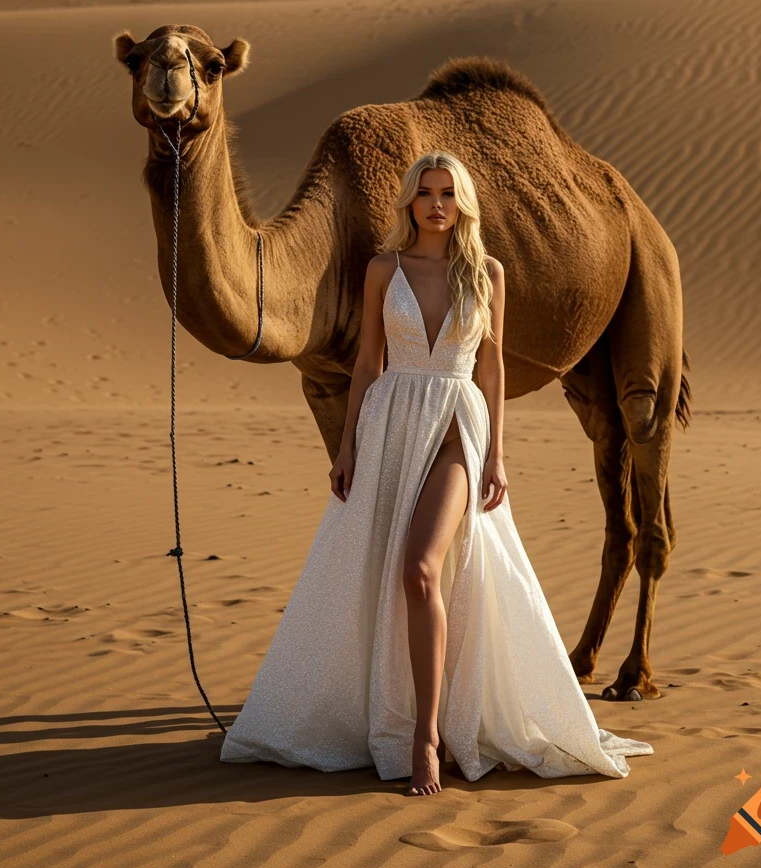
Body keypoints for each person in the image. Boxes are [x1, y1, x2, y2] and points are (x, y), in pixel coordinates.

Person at [220, 150, 654, 795]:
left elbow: (493, 369)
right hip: (392, 419)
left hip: (458, 423)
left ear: (464, 204)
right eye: (425, 193)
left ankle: (425, 734)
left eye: (448, 193)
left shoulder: (487, 274)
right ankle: (388, 714)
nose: (436, 204)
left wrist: (498, 455)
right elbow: (366, 363)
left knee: (421, 566)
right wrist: (346, 447)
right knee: (380, 566)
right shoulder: (382, 269)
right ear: (409, 202)